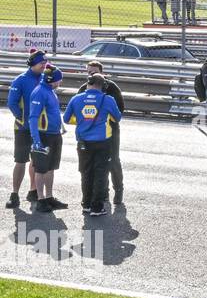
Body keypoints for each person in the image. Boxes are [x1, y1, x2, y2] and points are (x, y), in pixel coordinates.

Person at [63, 74, 121, 217]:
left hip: (83, 142)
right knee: (100, 174)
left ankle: (86, 204)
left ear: (88, 84)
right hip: (103, 142)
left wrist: (84, 121)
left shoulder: (76, 99)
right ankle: (97, 207)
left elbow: (66, 119)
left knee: (86, 173)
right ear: (103, 86)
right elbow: (117, 118)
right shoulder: (108, 99)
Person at [75, 61, 127, 206]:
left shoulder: (111, 88)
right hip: (89, 135)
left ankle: (119, 190)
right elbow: (76, 110)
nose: (91, 75)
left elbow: (120, 110)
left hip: (110, 131)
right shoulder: (83, 88)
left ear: (102, 72)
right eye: (89, 72)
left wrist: (102, 119)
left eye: (94, 72)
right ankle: (100, 194)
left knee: (113, 161)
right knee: (92, 166)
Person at [7, 51, 46, 209]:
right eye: (41, 63)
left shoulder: (45, 79)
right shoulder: (20, 80)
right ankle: (14, 194)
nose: (44, 65)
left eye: (45, 62)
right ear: (32, 63)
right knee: (21, 161)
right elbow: (12, 103)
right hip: (23, 128)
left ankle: (33, 190)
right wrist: (22, 119)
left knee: (37, 161)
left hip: (42, 129)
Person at [27, 66, 67, 212]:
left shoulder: (50, 91)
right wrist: (36, 140)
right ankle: (40, 199)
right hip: (43, 136)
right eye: (59, 79)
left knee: (51, 168)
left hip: (54, 135)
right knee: (41, 169)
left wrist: (61, 127)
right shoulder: (39, 92)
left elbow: (53, 112)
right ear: (53, 80)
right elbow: (32, 118)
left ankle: (49, 197)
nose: (60, 81)